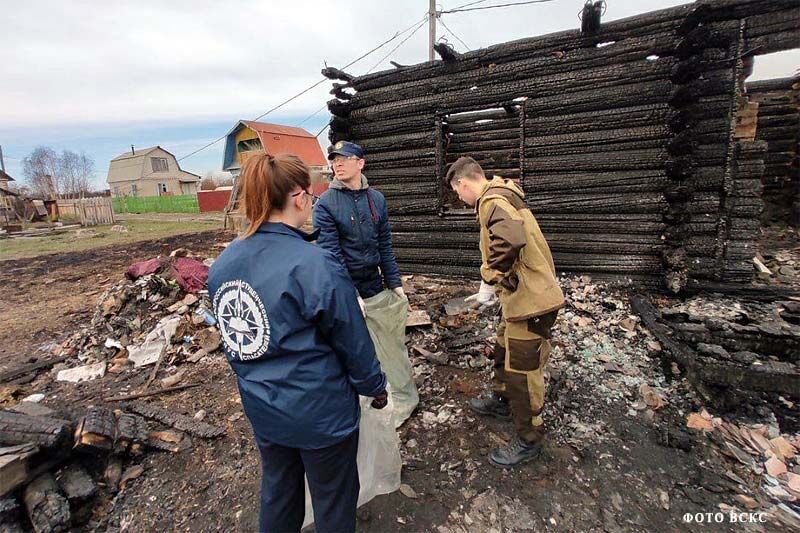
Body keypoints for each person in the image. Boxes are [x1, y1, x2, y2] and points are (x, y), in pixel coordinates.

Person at [208, 153, 387, 533]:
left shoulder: (223, 265)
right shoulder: (315, 264)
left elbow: (235, 341)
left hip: (264, 409)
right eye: (311, 195)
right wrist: (375, 387)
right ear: (298, 197)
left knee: (278, 492)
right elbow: (352, 340)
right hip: (321, 414)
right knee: (334, 501)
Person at [446, 156, 565, 468]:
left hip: (533, 303)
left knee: (523, 372)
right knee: (502, 346)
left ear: (464, 183)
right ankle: (501, 400)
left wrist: (490, 276)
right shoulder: (504, 195)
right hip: (520, 299)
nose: (459, 199)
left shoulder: (492, 201)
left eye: (457, 192)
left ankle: (530, 439)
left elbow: (510, 238)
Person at [313, 141, 419, 426]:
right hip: (348, 292)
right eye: (334, 159)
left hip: (375, 286)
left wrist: (394, 282)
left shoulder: (377, 200)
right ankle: (368, 405)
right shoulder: (326, 204)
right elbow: (331, 256)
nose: (338, 163)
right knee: (357, 351)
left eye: (344, 158)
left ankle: (404, 400)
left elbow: (384, 244)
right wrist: (350, 294)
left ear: (360, 163)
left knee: (391, 347)